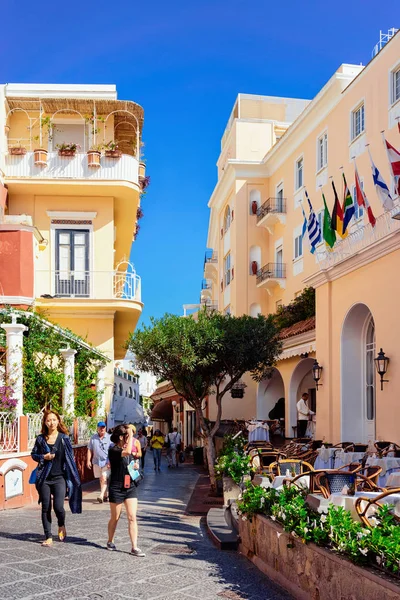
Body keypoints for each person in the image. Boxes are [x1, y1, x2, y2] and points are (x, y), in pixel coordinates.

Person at [31, 409, 82, 547]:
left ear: (58, 421)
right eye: (48, 420)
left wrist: (73, 477)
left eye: (54, 419)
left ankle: (61, 524)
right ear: (45, 423)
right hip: (44, 478)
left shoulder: (64, 439)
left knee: (59, 507)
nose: (51, 422)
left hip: (60, 477)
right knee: (46, 507)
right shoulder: (41, 439)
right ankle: (48, 536)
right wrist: (43, 457)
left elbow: (70, 459)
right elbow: (33, 454)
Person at [107, 424, 145, 557]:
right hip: (116, 487)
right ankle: (110, 541)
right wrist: (130, 434)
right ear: (121, 437)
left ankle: (134, 547)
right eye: (128, 436)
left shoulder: (128, 450)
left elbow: (131, 459)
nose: (131, 439)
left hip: (130, 486)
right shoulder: (114, 450)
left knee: (132, 517)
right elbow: (127, 452)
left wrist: (134, 466)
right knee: (115, 518)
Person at [87, 421, 112, 503]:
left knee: (103, 477)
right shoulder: (93, 438)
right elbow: (89, 450)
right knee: (101, 479)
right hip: (96, 461)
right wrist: (88, 460)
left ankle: (101, 495)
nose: (102, 429)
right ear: (97, 428)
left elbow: (112, 451)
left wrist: (110, 461)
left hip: (106, 462)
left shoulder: (109, 438)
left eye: (103, 427)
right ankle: (105, 495)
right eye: (100, 427)